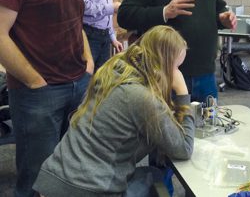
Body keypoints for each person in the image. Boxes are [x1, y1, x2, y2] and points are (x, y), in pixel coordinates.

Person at [0, 0, 97, 196]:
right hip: (38, 94)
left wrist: (89, 63)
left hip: (76, 84)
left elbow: (75, 22)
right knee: (35, 180)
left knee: (70, 172)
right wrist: (33, 81)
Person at [33, 25, 194, 197]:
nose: (177, 74)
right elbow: (183, 149)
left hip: (53, 180)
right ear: (164, 65)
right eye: (177, 68)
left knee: (146, 173)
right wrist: (183, 93)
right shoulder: (142, 97)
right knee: (153, 177)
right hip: (87, 190)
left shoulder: (113, 74)